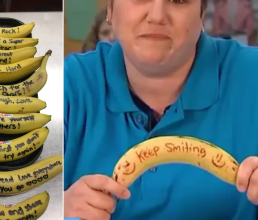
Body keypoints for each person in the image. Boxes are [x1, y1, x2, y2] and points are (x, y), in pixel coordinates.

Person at [64, 0, 258, 219]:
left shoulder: (252, 76)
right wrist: (57, 208)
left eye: (178, 0)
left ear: (201, 13)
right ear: (110, 9)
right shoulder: (67, 85)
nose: (157, 16)